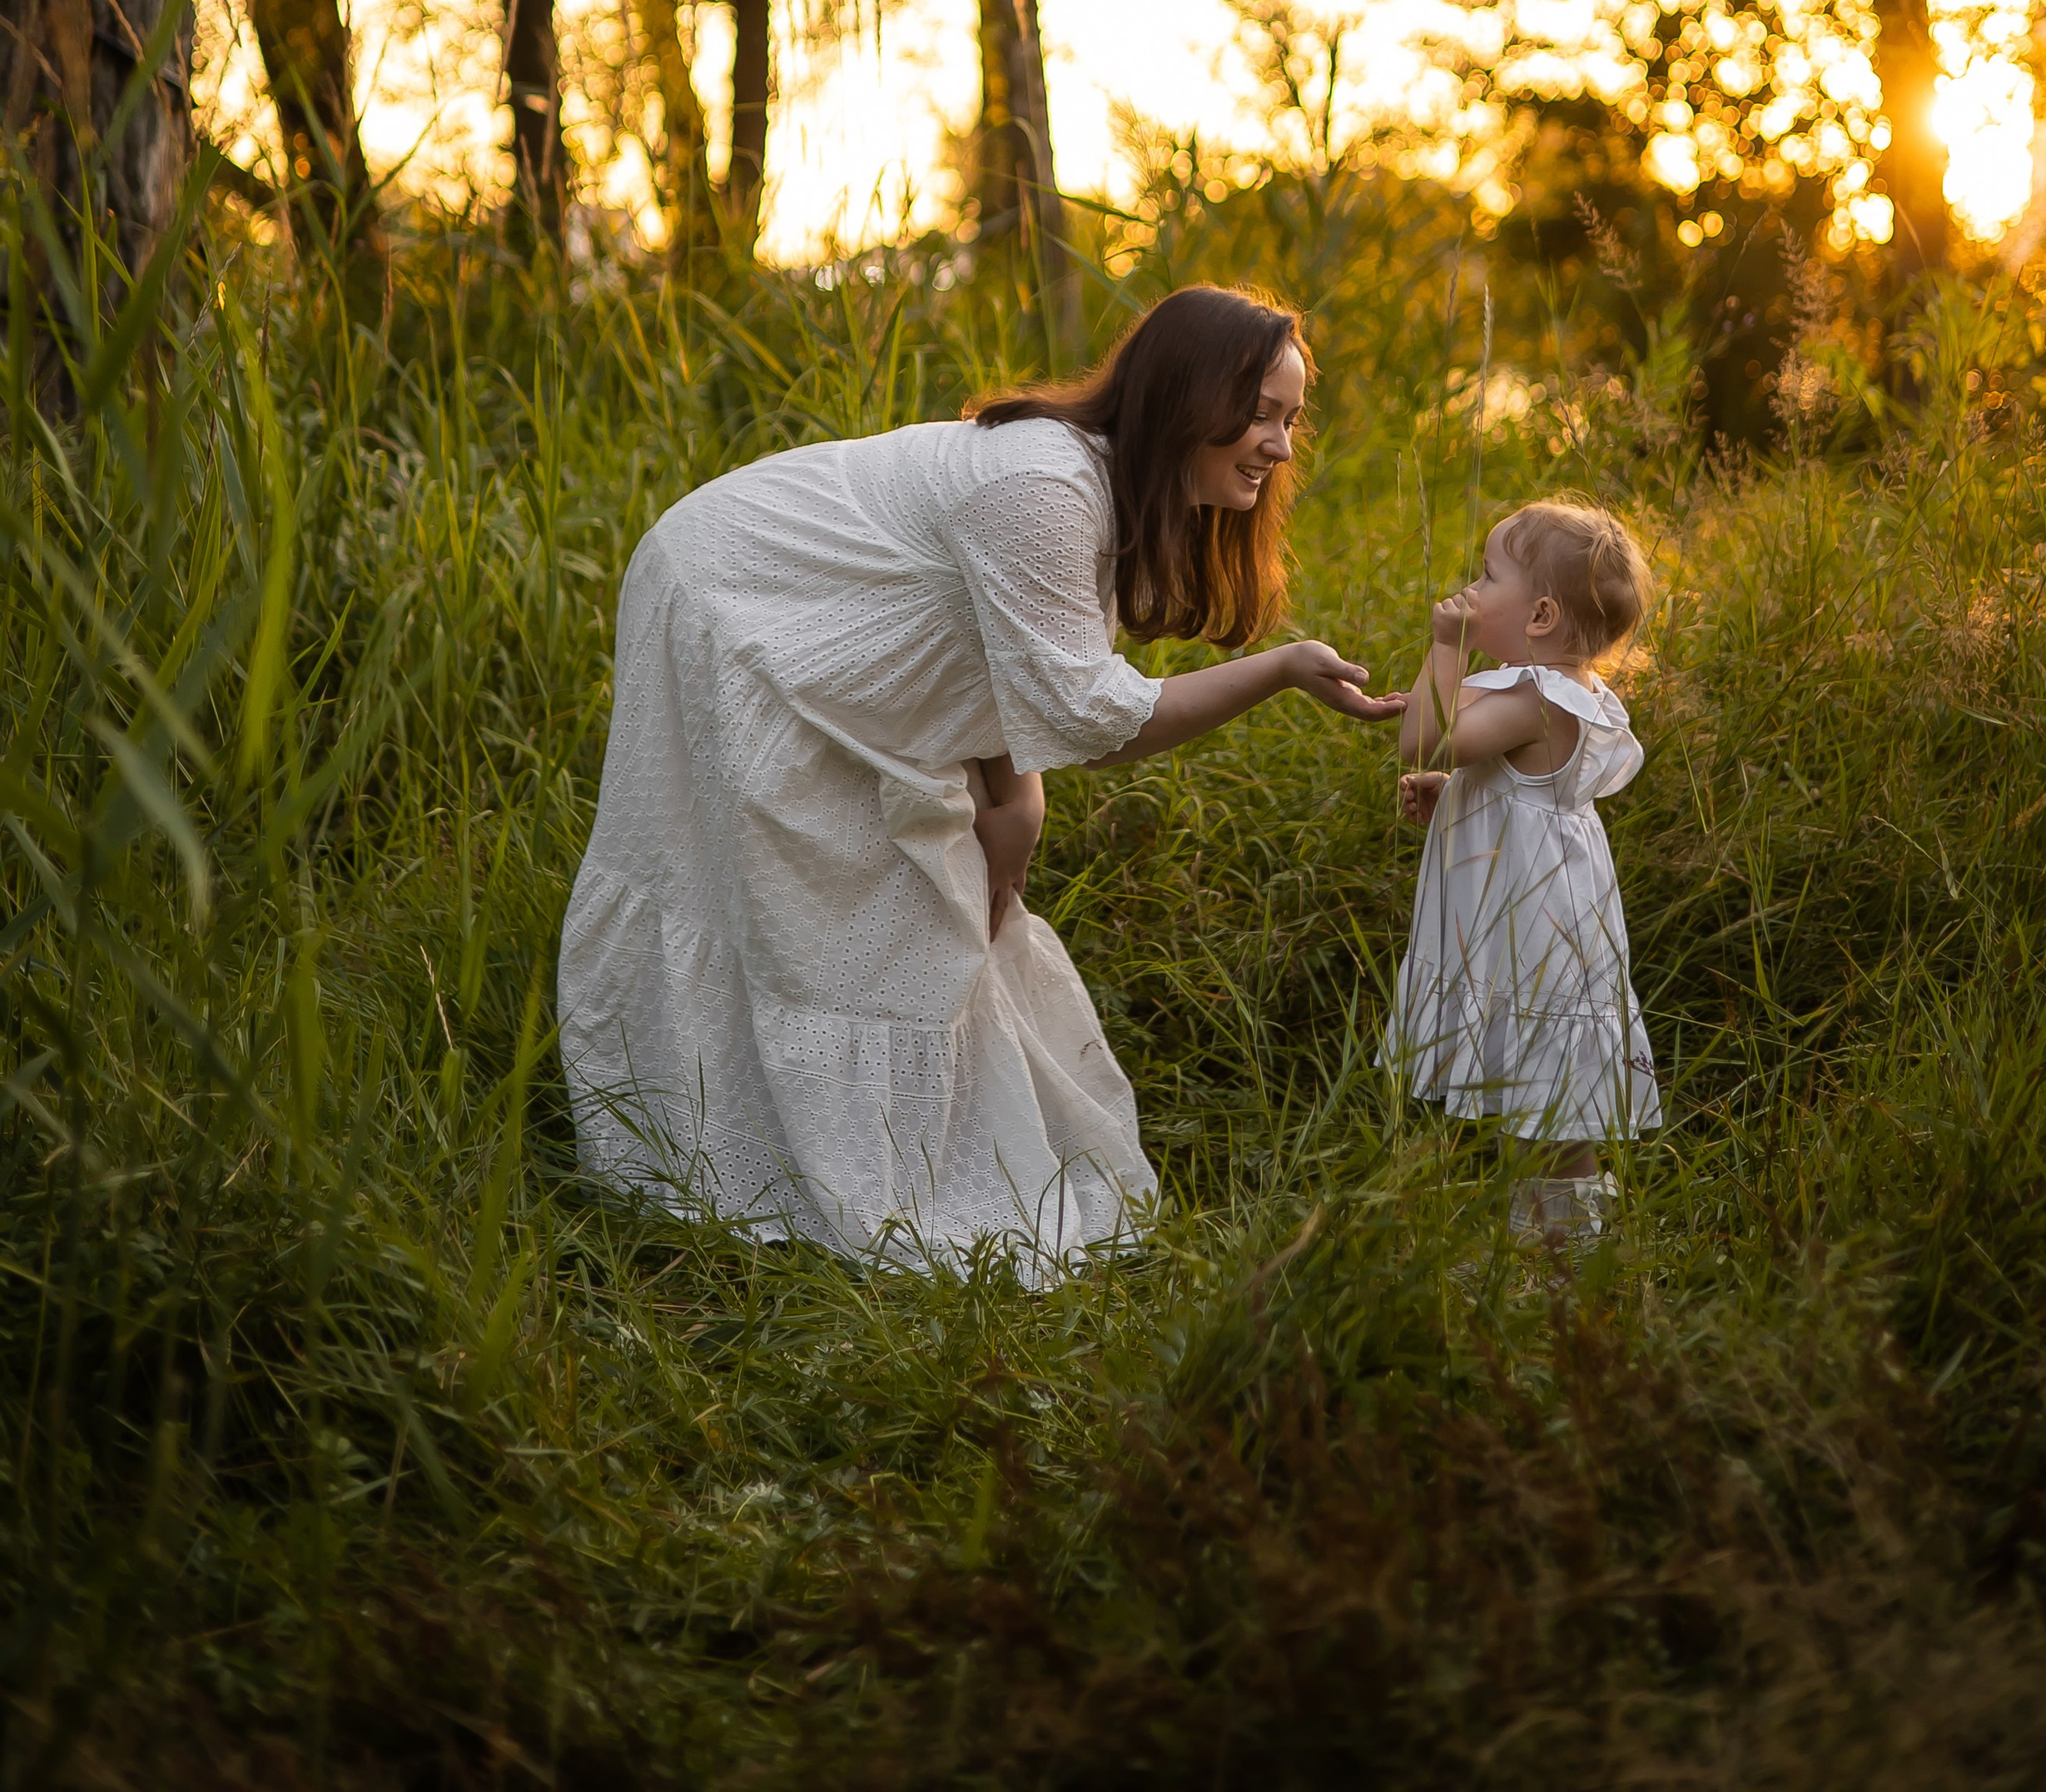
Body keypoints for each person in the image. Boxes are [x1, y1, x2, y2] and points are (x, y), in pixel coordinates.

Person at [559, 286, 1398, 1280]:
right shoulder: (1043, 486)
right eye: (1261, 414)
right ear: (1187, 398)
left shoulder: (1092, 488)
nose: (1281, 446)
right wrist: (1281, 668)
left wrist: (1015, 795)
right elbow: (1090, 714)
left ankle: (834, 1163)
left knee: (918, 897)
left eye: (1291, 418)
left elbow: (1005, 653)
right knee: (814, 889)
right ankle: (741, 1167)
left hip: (815, 623)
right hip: (737, 605)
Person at [1388, 498, 1659, 1243]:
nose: (1470, 591)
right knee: (1541, 1105)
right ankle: (1548, 1251)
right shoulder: (1557, 692)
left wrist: (1447, 644)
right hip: (1547, 919)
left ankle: (1566, 1262)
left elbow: (1421, 741)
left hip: (1532, 933)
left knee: (1546, 1109)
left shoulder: (1537, 698)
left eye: (1487, 576)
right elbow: (1519, 785)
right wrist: (1460, 791)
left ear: (1539, 615)